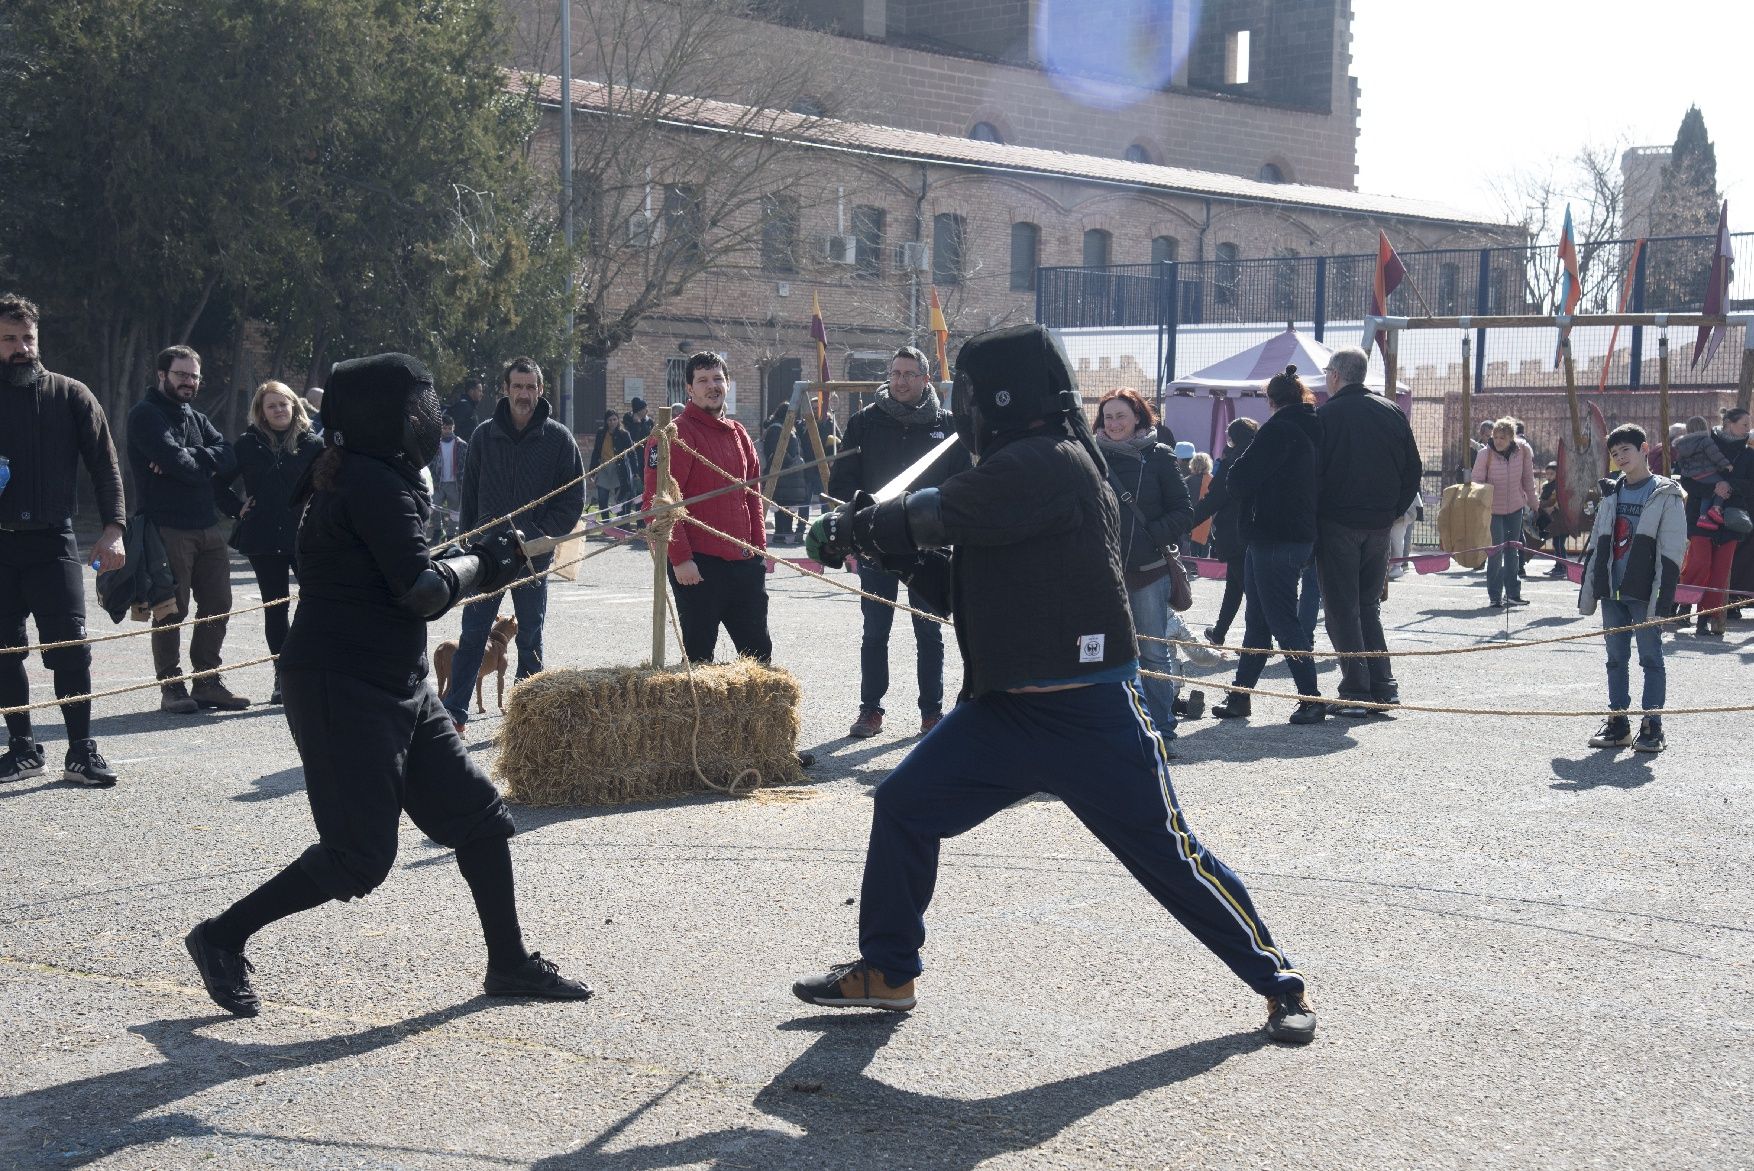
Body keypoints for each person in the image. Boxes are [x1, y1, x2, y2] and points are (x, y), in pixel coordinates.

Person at [795, 323, 1315, 1044]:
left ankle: (1280, 982)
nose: (966, 407)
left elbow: (944, 510)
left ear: (1001, 395)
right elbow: (964, 589)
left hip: (1087, 710)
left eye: (972, 393)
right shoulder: (1025, 465)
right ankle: (888, 971)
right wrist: (903, 560)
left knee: (1169, 854)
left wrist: (862, 527)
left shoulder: (1051, 461)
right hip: (1004, 712)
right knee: (905, 805)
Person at [183, 353, 591, 1017]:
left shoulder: (367, 471)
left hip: (393, 678)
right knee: (358, 857)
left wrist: (484, 560)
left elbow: (408, 572)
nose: (429, 420)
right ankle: (220, 937)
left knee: (480, 819)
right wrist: (488, 559)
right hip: (340, 684)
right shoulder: (367, 481)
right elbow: (423, 591)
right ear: (383, 417)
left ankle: (509, 962)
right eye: (417, 409)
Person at [0, 292, 126, 788]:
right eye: (8, 339)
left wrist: (114, 529)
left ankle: (81, 750)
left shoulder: (72, 395)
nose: (20, 347)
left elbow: (105, 465)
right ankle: (23, 748)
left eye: (27, 337)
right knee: (5, 652)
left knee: (70, 650)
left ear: (39, 338)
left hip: (54, 543)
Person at [826, 346, 968, 738]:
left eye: (909, 374)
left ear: (925, 379)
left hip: (930, 546)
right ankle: (870, 710)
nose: (901, 381)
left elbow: (962, 486)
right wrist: (852, 532)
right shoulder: (864, 423)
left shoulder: (949, 425)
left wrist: (946, 528)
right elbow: (842, 485)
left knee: (929, 630)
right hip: (876, 544)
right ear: (887, 377)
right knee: (875, 630)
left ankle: (931, 714)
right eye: (896, 373)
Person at [442, 358, 584, 733]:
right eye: (517, 386)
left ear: (540, 390)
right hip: (486, 554)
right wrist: (469, 542)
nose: (524, 394)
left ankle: (528, 718)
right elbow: (469, 496)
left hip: (532, 555)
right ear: (505, 389)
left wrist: (537, 536)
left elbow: (572, 500)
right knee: (473, 634)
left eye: (530, 387)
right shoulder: (483, 436)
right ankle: (454, 713)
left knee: (530, 636)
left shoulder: (558, 439)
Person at [128, 345, 250, 713]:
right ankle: (172, 687)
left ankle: (207, 682)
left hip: (208, 527)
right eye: (182, 374)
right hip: (167, 528)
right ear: (162, 375)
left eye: (195, 376)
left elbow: (227, 455)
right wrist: (195, 462)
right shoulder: (145, 416)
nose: (189, 382)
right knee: (171, 609)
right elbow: (175, 461)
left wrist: (192, 460)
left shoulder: (195, 417)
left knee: (218, 604)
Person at [1211, 366, 1326, 725]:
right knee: (1258, 619)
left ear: (1271, 400)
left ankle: (1311, 697)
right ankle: (1240, 695)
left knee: (1279, 619)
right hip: (1300, 532)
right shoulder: (1316, 427)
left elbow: (1240, 479)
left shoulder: (1276, 430)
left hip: (1272, 533)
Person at [642, 352, 772, 664]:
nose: (711, 386)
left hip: (743, 564)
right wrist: (681, 559)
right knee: (700, 661)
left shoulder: (740, 433)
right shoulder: (674, 434)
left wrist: (758, 550)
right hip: (699, 568)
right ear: (689, 389)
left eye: (717, 379)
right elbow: (658, 502)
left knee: (759, 659)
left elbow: (752, 495)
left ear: (727, 384)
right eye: (702, 380)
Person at [1313, 345, 1421, 716]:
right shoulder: (1392, 412)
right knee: (1368, 606)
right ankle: (1383, 685)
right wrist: (1391, 510)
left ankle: (1356, 689)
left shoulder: (1326, 416)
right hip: (1379, 524)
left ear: (1335, 375)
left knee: (1342, 609)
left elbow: (1315, 474)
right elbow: (1413, 469)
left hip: (1338, 522)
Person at [1577, 424, 1687, 753]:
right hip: (1613, 590)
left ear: (1644, 449)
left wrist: (1662, 599)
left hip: (1645, 591)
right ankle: (1618, 722)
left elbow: (1672, 551)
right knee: (1615, 658)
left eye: (1626, 450)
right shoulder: (1612, 492)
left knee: (1651, 658)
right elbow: (1598, 541)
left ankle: (1652, 725)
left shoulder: (1666, 494)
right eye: (1614, 454)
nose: (1620, 457)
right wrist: (1591, 585)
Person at [1093, 387, 1192, 747]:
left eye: (1121, 415)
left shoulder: (1159, 455)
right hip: (1104, 572)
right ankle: (1118, 726)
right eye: (1108, 417)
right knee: (1104, 652)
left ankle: (1161, 729)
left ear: (1138, 416)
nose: (1114, 423)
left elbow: (1184, 509)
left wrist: (1154, 535)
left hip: (1149, 569)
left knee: (1153, 652)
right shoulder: (1092, 457)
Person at [214, 381, 323, 705]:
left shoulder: (312, 444)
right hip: (263, 537)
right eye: (271, 405)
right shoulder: (247, 444)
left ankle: (314, 670)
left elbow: (332, 485)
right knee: (276, 609)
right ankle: (283, 677)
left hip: (306, 536)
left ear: (294, 406)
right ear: (261, 411)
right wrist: (236, 508)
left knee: (317, 603)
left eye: (283, 404)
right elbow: (218, 484)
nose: (278, 410)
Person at [1675, 407, 1754, 636]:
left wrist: (1729, 487)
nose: (1748, 427)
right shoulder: (1705, 442)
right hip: (1700, 517)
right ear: (1729, 423)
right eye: (1744, 423)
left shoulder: (1749, 455)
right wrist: (1713, 487)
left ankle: (1705, 618)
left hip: (1732, 519)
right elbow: (1687, 478)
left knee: (1720, 572)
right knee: (1699, 563)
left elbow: (1751, 486)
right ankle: (1683, 602)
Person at [1192, 417, 1258, 648]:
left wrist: (1184, 522)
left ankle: (1259, 642)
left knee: (1250, 590)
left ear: (1232, 439)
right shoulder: (1261, 457)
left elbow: (1214, 499)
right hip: (1256, 532)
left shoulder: (1232, 462)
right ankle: (1219, 632)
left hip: (1234, 533)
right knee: (1236, 585)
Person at [1470, 418, 1536, 609]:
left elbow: (1528, 480)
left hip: (1515, 507)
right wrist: (1481, 499)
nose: (1498, 441)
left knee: (1513, 551)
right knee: (1495, 552)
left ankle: (1513, 594)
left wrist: (1534, 503)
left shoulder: (1522, 452)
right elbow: (1476, 482)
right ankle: (1495, 596)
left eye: (1503, 438)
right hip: (1493, 510)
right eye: (1496, 437)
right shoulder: (1485, 454)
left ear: (1511, 438)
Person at [761, 404, 811, 546]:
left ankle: (784, 534)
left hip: (788, 476)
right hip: (783, 474)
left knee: (786, 504)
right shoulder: (776, 429)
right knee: (782, 504)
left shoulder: (785, 427)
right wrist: (793, 460)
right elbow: (776, 451)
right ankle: (781, 534)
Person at [588, 408, 634, 521]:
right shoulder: (601, 433)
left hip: (619, 470)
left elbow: (632, 453)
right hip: (604, 468)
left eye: (614, 419)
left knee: (620, 500)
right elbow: (596, 452)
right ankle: (606, 524)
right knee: (602, 499)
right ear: (606, 421)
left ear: (618, 420)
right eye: (610, 420)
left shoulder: (624, 434)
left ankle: (620, 524)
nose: (612, 422)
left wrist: (635, 471)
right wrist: (592, 472)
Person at [427, 414, 466, 542]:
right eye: (445, 428)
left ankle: (450, 536)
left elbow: (465, 464)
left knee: (454, 512)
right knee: (433, 507)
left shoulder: (461, 444)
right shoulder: (433, 444)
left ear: (453, 428)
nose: (447, 431)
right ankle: (438, 530)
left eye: (450, 428)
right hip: (438, 483)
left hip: (454, 484)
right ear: (440, 428)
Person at [620, 397, 654, 523]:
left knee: (644, 491)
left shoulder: (649, 421)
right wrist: (637, 423)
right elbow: (633, 438)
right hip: (633, 460)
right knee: (632, 491)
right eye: (644, 408)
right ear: (639, 410)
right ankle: (628, 521)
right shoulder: (629, 420)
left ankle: (643, 521)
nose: (647, 410)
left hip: (647, 459)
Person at [1536, 462, 1569, 577]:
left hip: (1561, 519)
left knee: (1559, 543)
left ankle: (1563, 567)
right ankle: (1558, 566)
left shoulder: (1560, 486)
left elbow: (1561, 500)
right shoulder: (1547, 486)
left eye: (1552, 473)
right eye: (1547, 473)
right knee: (1556, 543)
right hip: (1553, 520)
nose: (1549, 476)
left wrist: (1552, 506)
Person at [1185, 452, 1213, 557]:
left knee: (1191, 559)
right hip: (1207, 526)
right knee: (1205, 561)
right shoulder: (1213, 481)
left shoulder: (1187, 481)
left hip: (1191, 525)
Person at [449, 375, 486, 440]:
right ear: (471, 391)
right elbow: (456, 429)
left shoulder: (469, 406)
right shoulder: (464, 407)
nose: (481, 394)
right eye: (479, 391)